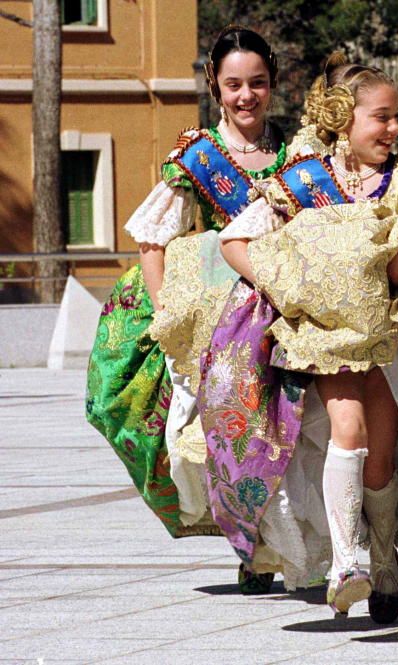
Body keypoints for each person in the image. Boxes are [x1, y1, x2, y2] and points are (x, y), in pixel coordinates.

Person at [198, 53, 398, 622]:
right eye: (382, 117)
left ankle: (383, 556)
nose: (394, 128)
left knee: (383, 449)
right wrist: (292, 281)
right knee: (344, 431)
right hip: (326, 338)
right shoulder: (302, 180)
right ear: (343, 120)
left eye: (397, 116)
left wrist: (396, 254)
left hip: (397, 341)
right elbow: (236, 241)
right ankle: (347, 559)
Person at [85, 26, 287, 594]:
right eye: (234, 85)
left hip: (284, 306)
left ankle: (292, 539)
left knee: (287, 427)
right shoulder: (199, 158)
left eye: (258, 83)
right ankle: (254, 544)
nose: (246, 96)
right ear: (214, 87)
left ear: (272, 82)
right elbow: (153, 239)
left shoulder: (298, 156)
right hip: (217, 314)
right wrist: (168, 314)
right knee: (232, 428)